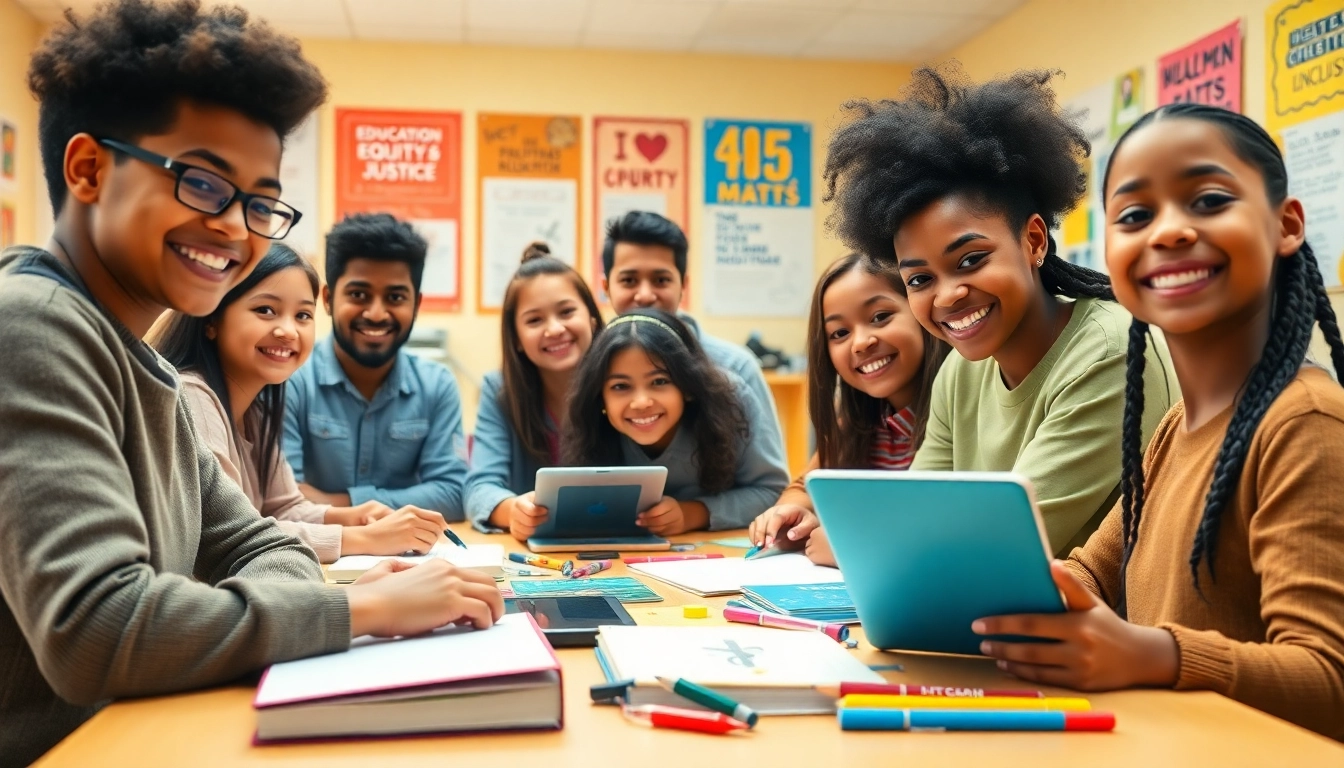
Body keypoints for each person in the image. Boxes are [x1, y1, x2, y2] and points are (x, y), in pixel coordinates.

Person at [0, 3, 499, 765]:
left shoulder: (146, 368)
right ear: (89, 169)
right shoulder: (31, 326)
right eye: (203, 183)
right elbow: (98, 629)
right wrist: (359, 608)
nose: (237, 227)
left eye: (260, 202)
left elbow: (261, 543)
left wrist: (322, 597)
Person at [974, 104, 1344, 743]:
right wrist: (1004, 591)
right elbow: (1090, 572)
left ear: (1286, 226)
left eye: (1209, 200)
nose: (1168, 231)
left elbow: (1330, 681)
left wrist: (1156, 655)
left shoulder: (1304, 423)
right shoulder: (1177, 429)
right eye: (1135, 215)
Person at [822, 64, 1178, 554]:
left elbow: (999, 540)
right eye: (920, 279)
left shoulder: (1111, 352)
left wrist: (858, 542)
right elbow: (918, 514)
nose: (947, 296)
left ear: (1033, 241)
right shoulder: (959, 372)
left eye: (971, 260)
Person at [152, 244, 450, 562]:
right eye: (265, 310)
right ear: (211, 319)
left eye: (303, 315)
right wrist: (364, 538)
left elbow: (283, 508)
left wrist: (351, 516)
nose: (288, 331)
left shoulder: (256, 411)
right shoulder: (194, 397)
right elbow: (231, 530)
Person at [747, 253, 950, 565]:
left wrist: (853, 547)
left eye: (880, 317)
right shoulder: (856, 420)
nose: (861, 342)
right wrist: (794, 511)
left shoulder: (961, 410)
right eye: (839, 333)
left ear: (920, 309)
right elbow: (805, 485)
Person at [284, 212, 468, 520]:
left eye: (395, 297)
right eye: (358, 295)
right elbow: (282, 499)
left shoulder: (437, 385)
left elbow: (453, 494)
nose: (377, 314)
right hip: (317, 547)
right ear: (327, 299)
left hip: (406, 549)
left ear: (416, 305)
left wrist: (340, 502)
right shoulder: (290, 379)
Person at [600, 210, 788, 493]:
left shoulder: (736, 368)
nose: (645, 295)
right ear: (606, 287)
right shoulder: (594, 365)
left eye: (661, 280)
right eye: (629, 281)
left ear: (683, 285)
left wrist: (695, 511)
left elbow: (770, 488)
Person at [563, 309, 789, 534]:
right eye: (620, 386)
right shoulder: (589, 428)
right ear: (599, 396)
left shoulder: (734, 400)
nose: (641, 402)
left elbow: (772, 493)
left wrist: (693, 514)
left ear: (688, 386)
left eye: (659, 381)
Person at [465, 242, 605, 540]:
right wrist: (512, 510)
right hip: (532, 553)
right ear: (516, 338)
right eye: (534, 320)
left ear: (592, 319)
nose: (554, 329)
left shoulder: (624, 385)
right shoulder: (499, 391)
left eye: (566, 312)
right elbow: (479, 489)